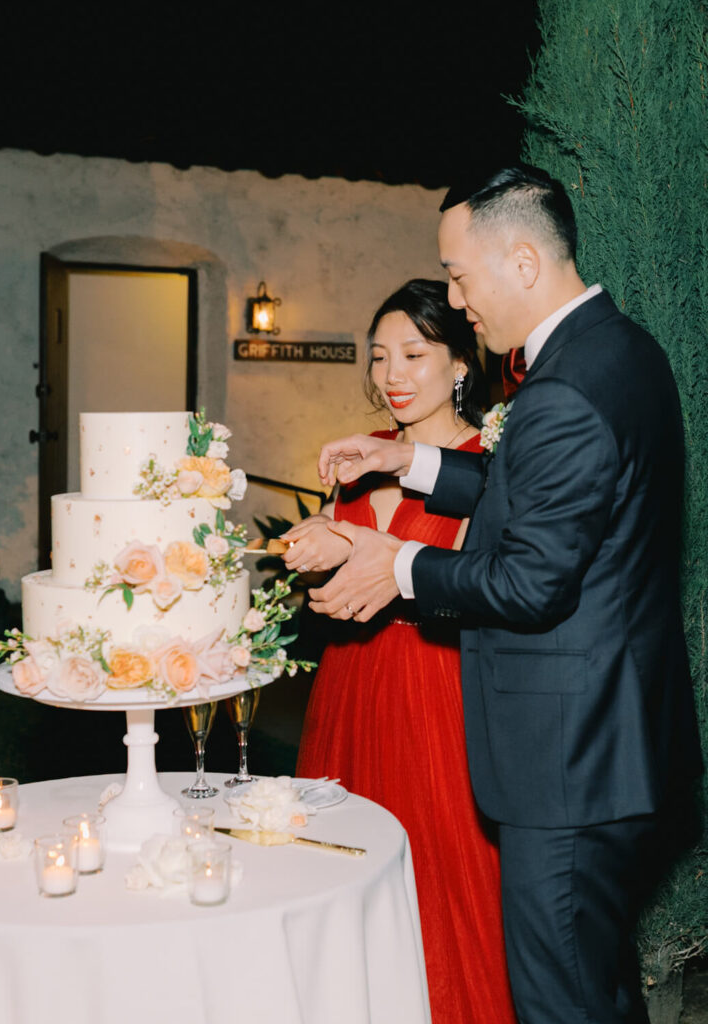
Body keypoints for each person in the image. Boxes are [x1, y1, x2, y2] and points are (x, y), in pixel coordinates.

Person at [304, 166, 702, 1024]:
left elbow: (529, 578)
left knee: (560, 1002)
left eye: (459, 273)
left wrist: (396, 567)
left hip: (568, 765)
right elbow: (533, 488)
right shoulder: (618, 352)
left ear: (522, 261)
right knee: (598, 987)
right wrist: (404, 460)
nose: (457, 295)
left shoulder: (563, 389)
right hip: (613, 745)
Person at [282, 279, 517, 1024]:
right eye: (380, 356)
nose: (392, 374)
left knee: (441, 884)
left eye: (414, 353)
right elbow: (342, 574)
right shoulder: (359, 460)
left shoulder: (490, 465)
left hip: (438, 693)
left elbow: (495, 586)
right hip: (349, 687)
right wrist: (315, 548)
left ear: (458, 365)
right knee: (339, 874)